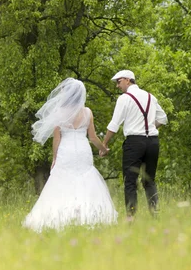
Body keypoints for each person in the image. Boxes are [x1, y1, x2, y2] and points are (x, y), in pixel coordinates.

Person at [23, 78, 118, 232]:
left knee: (62, 178)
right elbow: (93, 137)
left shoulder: (59, 112)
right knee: (85, 178)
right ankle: (88, 216)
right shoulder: (87, 112)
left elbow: (57, 138)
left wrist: (55, 158)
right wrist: (103, 149)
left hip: (66, 150)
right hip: (82, 150)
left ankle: (60, 217)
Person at [101, 69, 167, 221]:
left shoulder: (124, 98)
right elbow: (163, 118)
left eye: (118, 82)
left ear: (127, 80)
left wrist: (104, 144)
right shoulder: (151, 96)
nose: (118, 86)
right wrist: (149, 129)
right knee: (149, 181)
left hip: (134, 143)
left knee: (130, 182)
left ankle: (131, 219)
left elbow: (114, 124)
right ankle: (155, 216)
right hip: (152, 142)